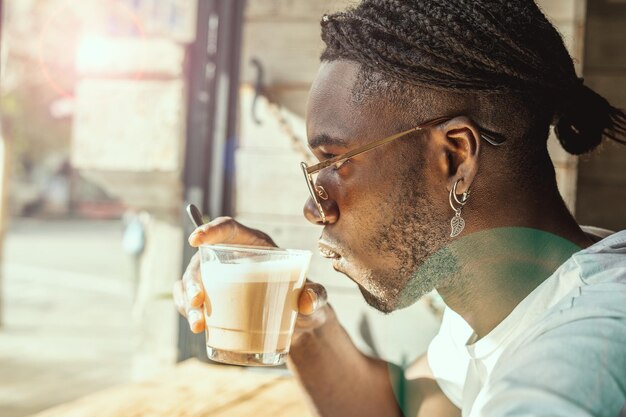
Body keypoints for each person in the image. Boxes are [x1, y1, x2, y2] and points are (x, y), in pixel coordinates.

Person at [173, 1, 626, 416]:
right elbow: (404, 405)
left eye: (333, 161)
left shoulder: (575, 365)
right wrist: (299, 325)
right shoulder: (519, 282)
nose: (313, 208)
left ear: (455, 157)